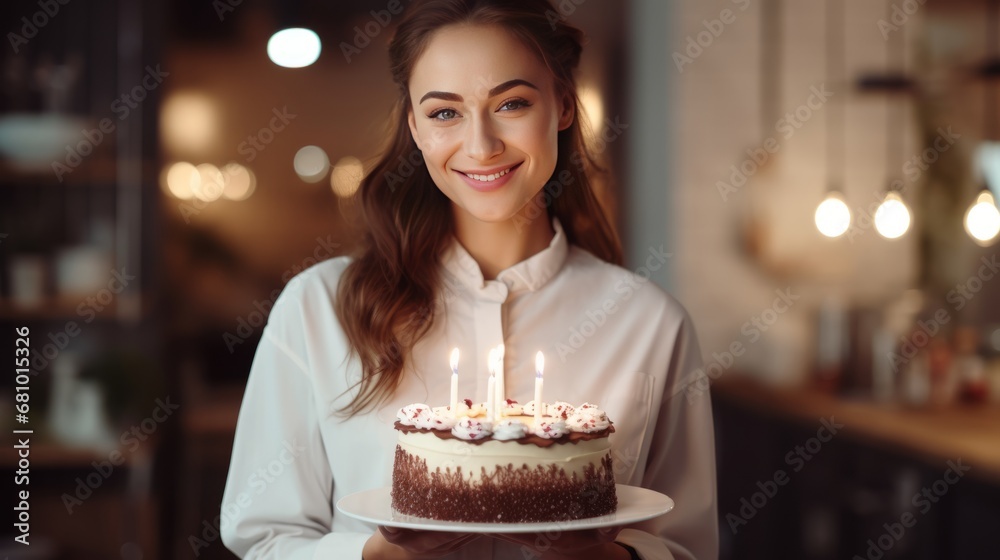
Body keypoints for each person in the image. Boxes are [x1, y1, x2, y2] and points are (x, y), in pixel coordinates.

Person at [220, 0, 718, 558]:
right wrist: (377, 556)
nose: (481, 145)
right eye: (444, 113)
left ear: (562, 105)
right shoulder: (317, 309)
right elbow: (262, 538)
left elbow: (687, 546)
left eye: (511, 103)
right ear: (414, 126)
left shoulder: (650, 323)